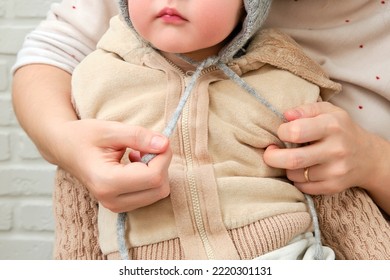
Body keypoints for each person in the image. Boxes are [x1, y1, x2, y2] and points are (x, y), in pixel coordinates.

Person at [11, 0, 390, 260]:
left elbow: (337, 203)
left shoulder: (286, 88)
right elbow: (75, 199)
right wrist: (67, 145)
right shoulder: (97, 82)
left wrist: (372, 162)